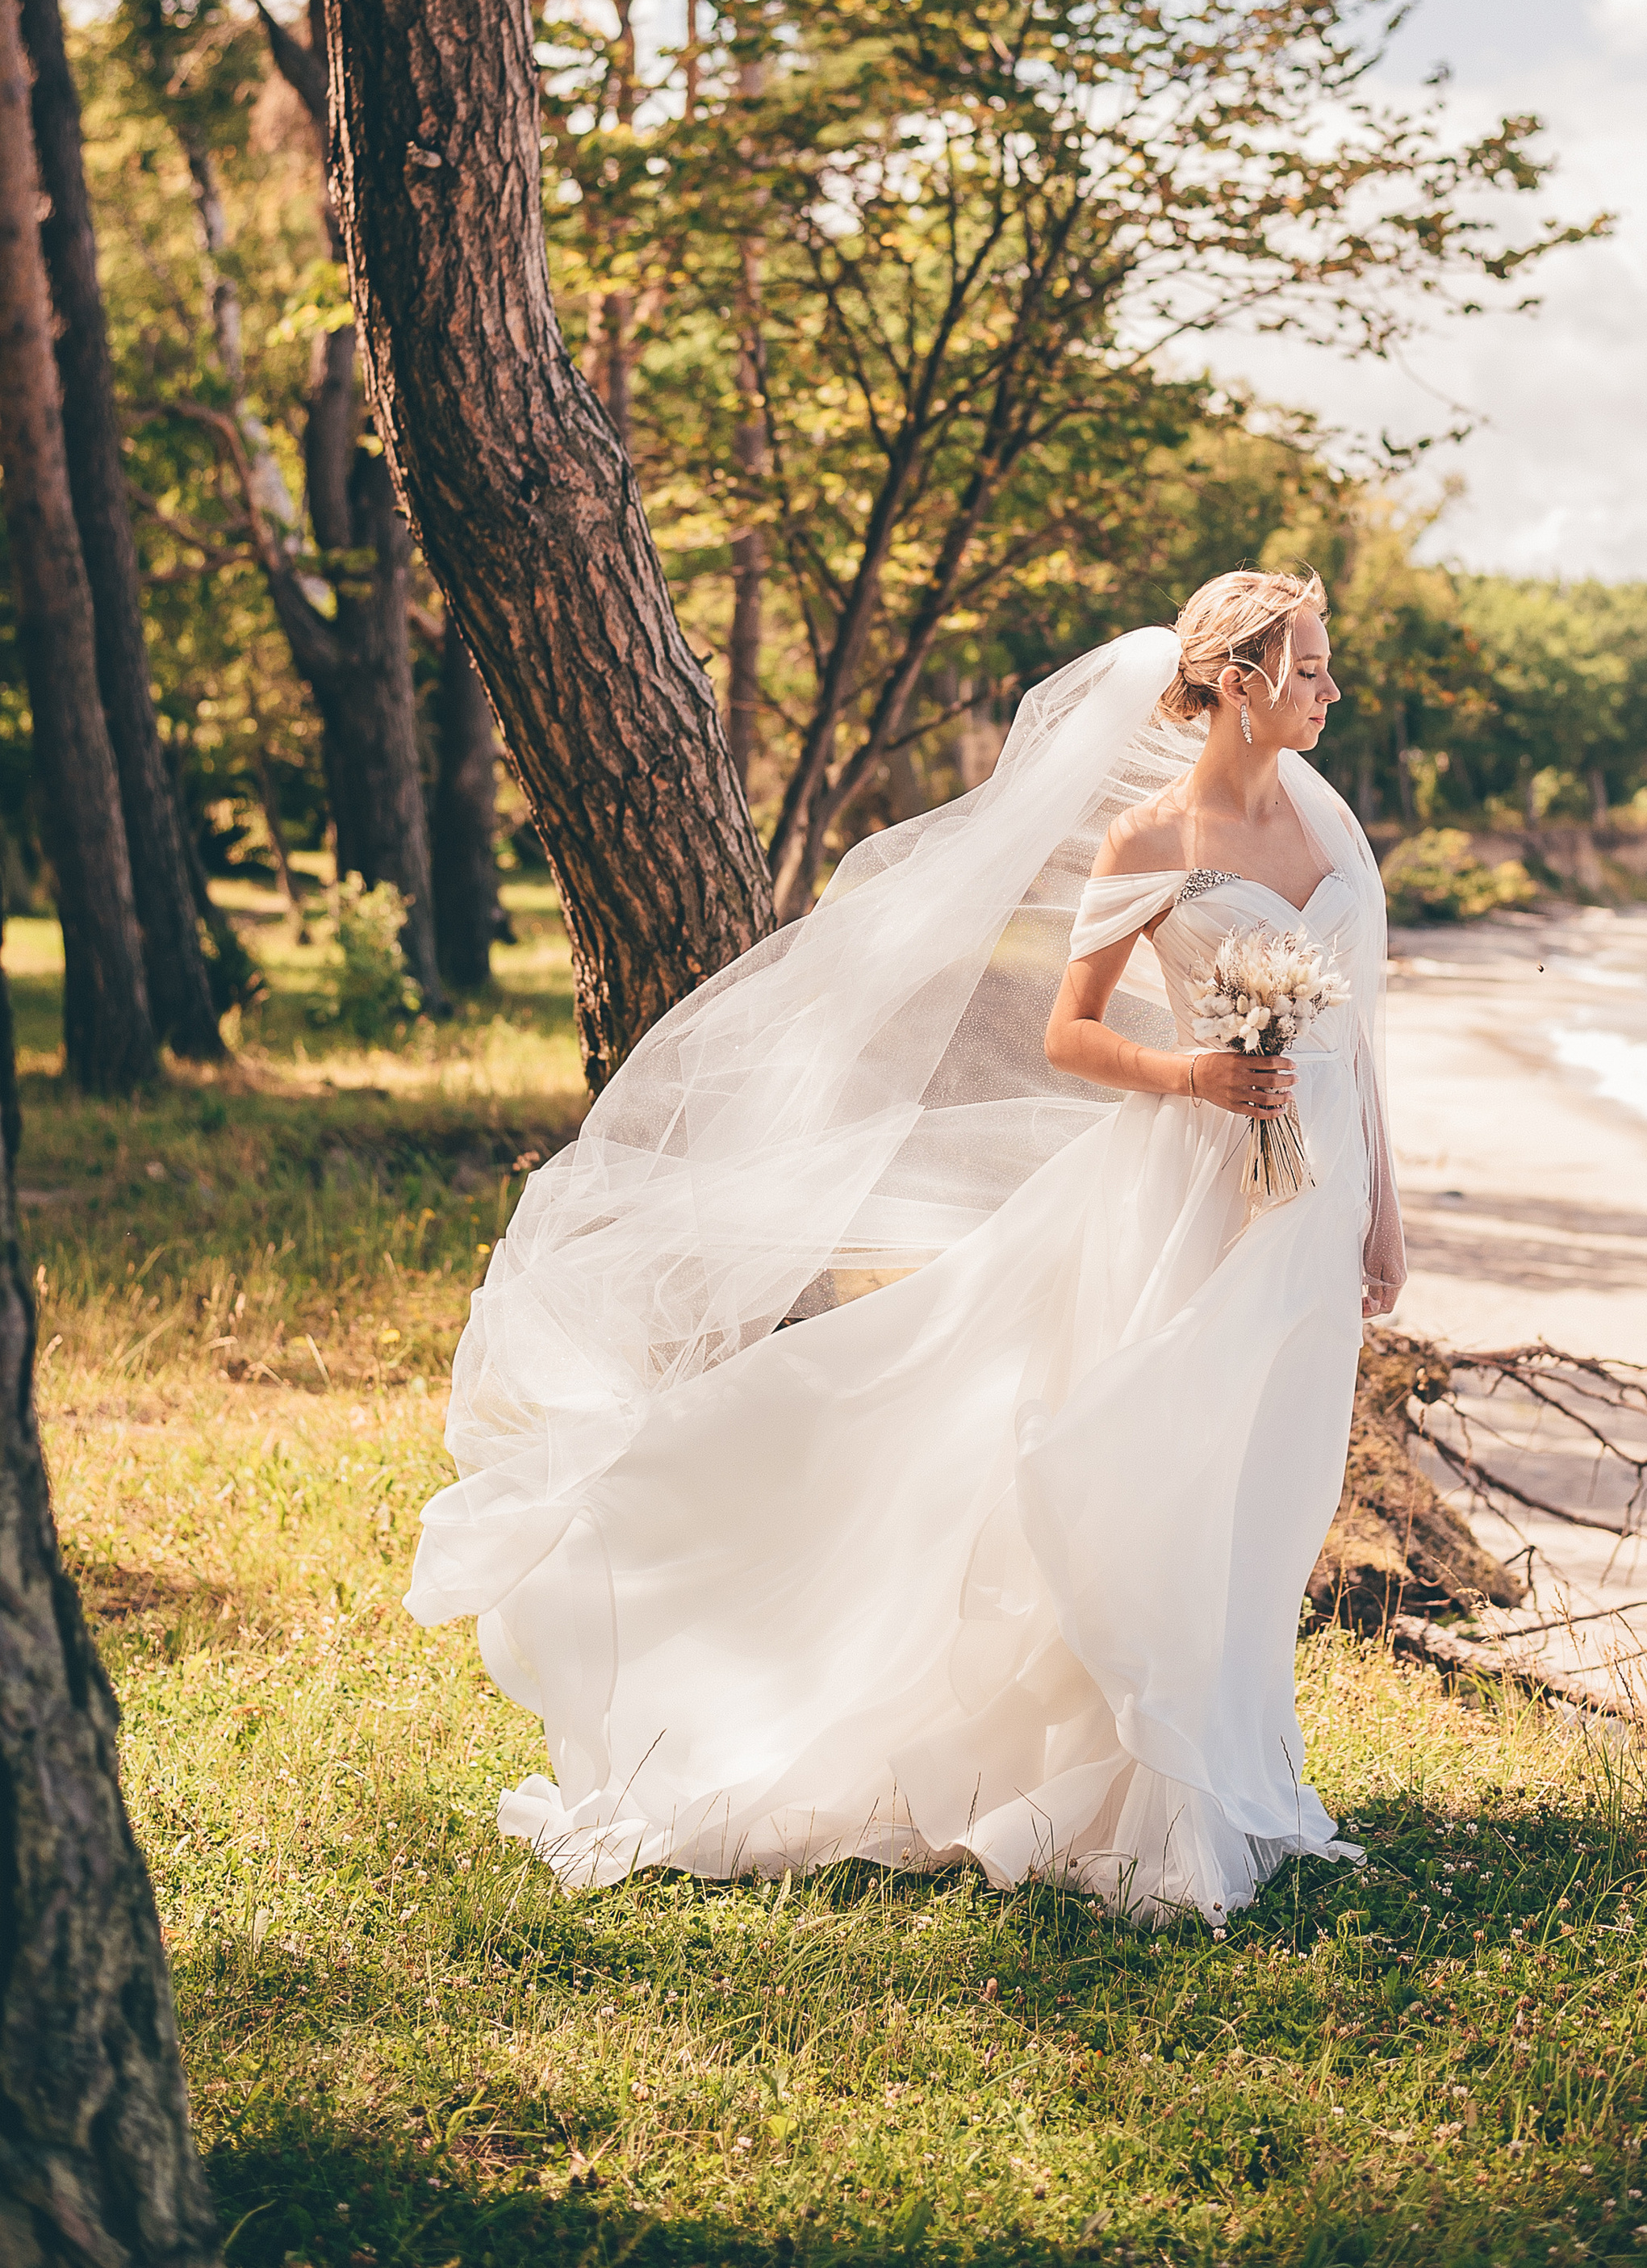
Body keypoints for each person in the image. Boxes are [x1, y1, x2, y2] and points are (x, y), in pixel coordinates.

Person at [407, 568, 1407, 1927]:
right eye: (1308, 668)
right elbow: (1072, 1035)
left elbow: (1360, 1047)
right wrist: (1195, 1082)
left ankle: (1240, 1769)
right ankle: (1153, 1795)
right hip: (1183, 1192)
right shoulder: (1148, 845)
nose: (1330, 691)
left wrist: (1380, 1210)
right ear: (1237, 679)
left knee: (1266, 1481)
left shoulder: (1331, 830)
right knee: (1162, 1472)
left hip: (1314, 1197)